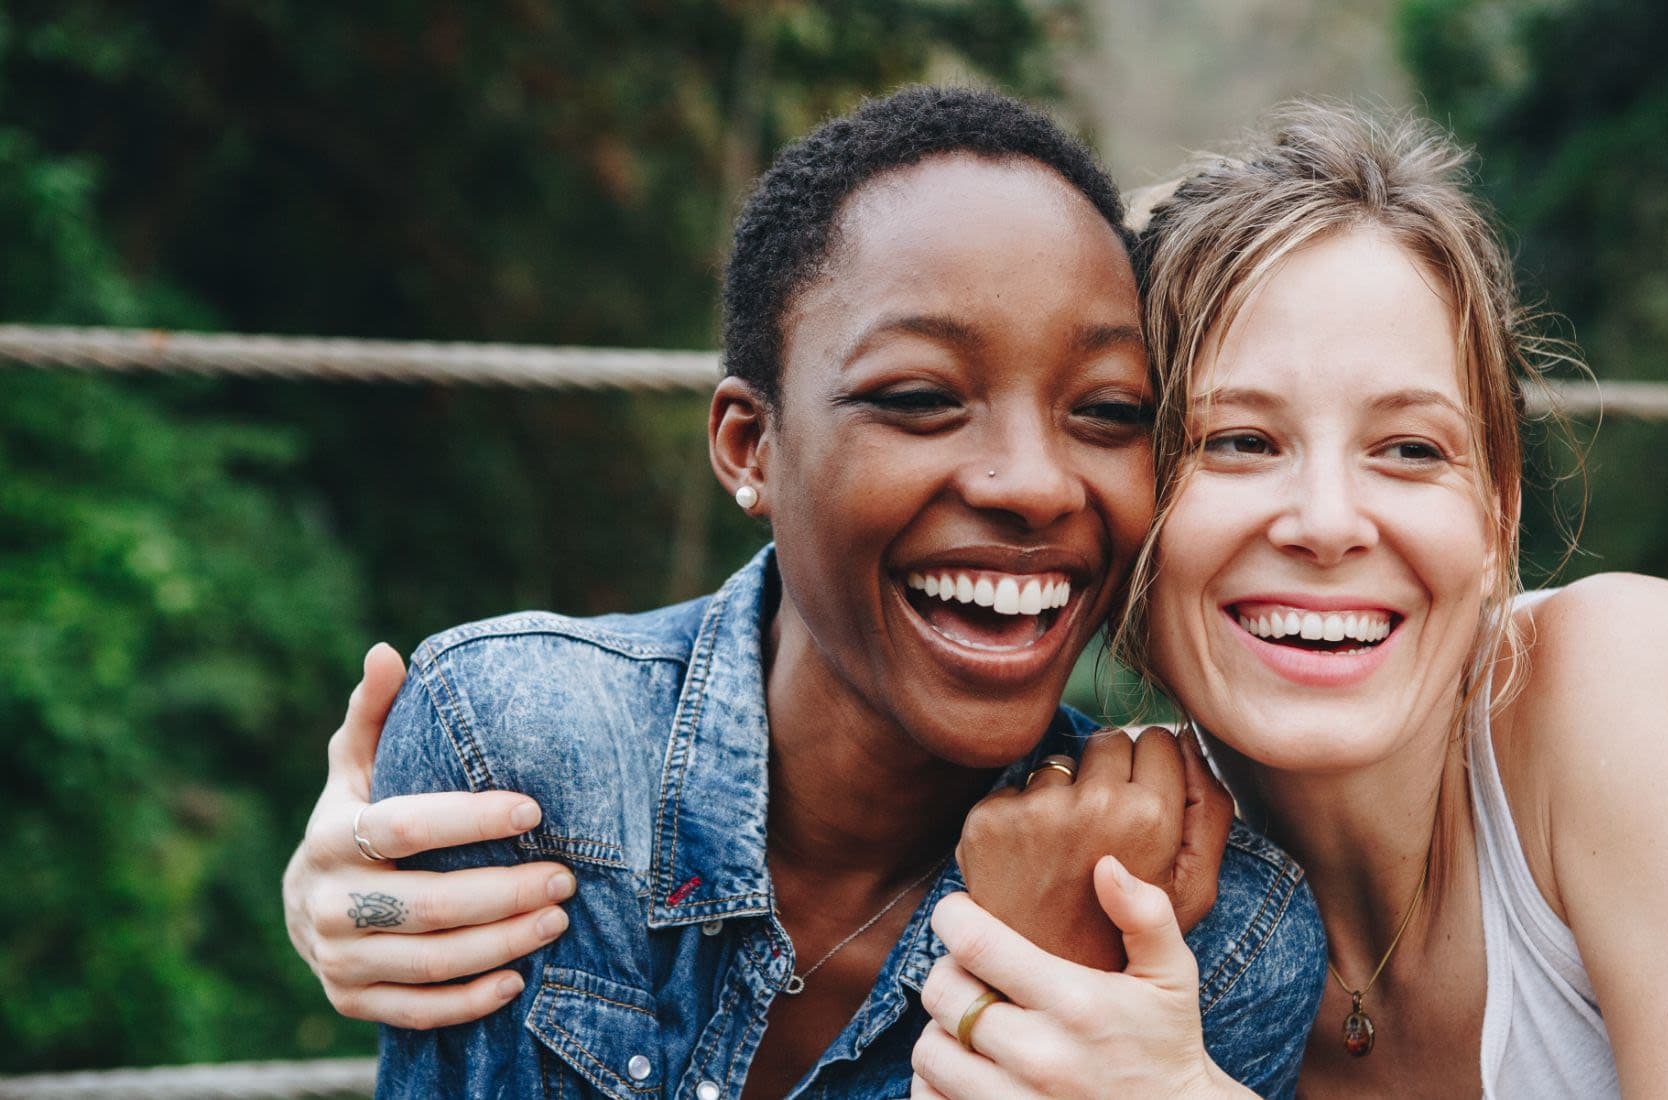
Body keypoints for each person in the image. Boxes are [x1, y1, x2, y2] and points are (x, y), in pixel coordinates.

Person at [280, 86, 1324, 1100]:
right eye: (919, 397)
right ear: (752, 446)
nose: (1035, 482)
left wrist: (1044, 981)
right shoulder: (518, 748)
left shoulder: (1208, 936)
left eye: (1105, 411)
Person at [908, 104, 1668, 1098]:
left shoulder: (1629, 679)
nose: (1326, 520)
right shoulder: (1154, 880)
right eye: (1237, 441)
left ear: (1497, 514)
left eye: (1409, 449)